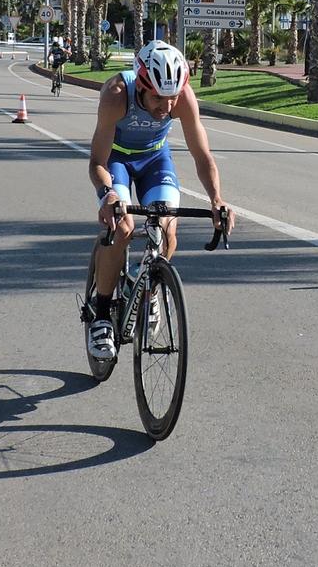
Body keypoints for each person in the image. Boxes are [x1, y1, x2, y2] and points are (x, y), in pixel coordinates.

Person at [85, 39, 227, 363]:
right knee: (122, 228)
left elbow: (202, 155)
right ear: (142, 87)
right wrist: (106, 194)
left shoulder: (183, 98)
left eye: (171, 99)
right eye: (157, 100)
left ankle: (147, 286)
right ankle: (103, 315)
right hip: (116, 161)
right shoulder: (116, 94)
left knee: (166, 228)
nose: (166, 109)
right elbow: (97, 161)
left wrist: (216, 199)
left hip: (154, 161)